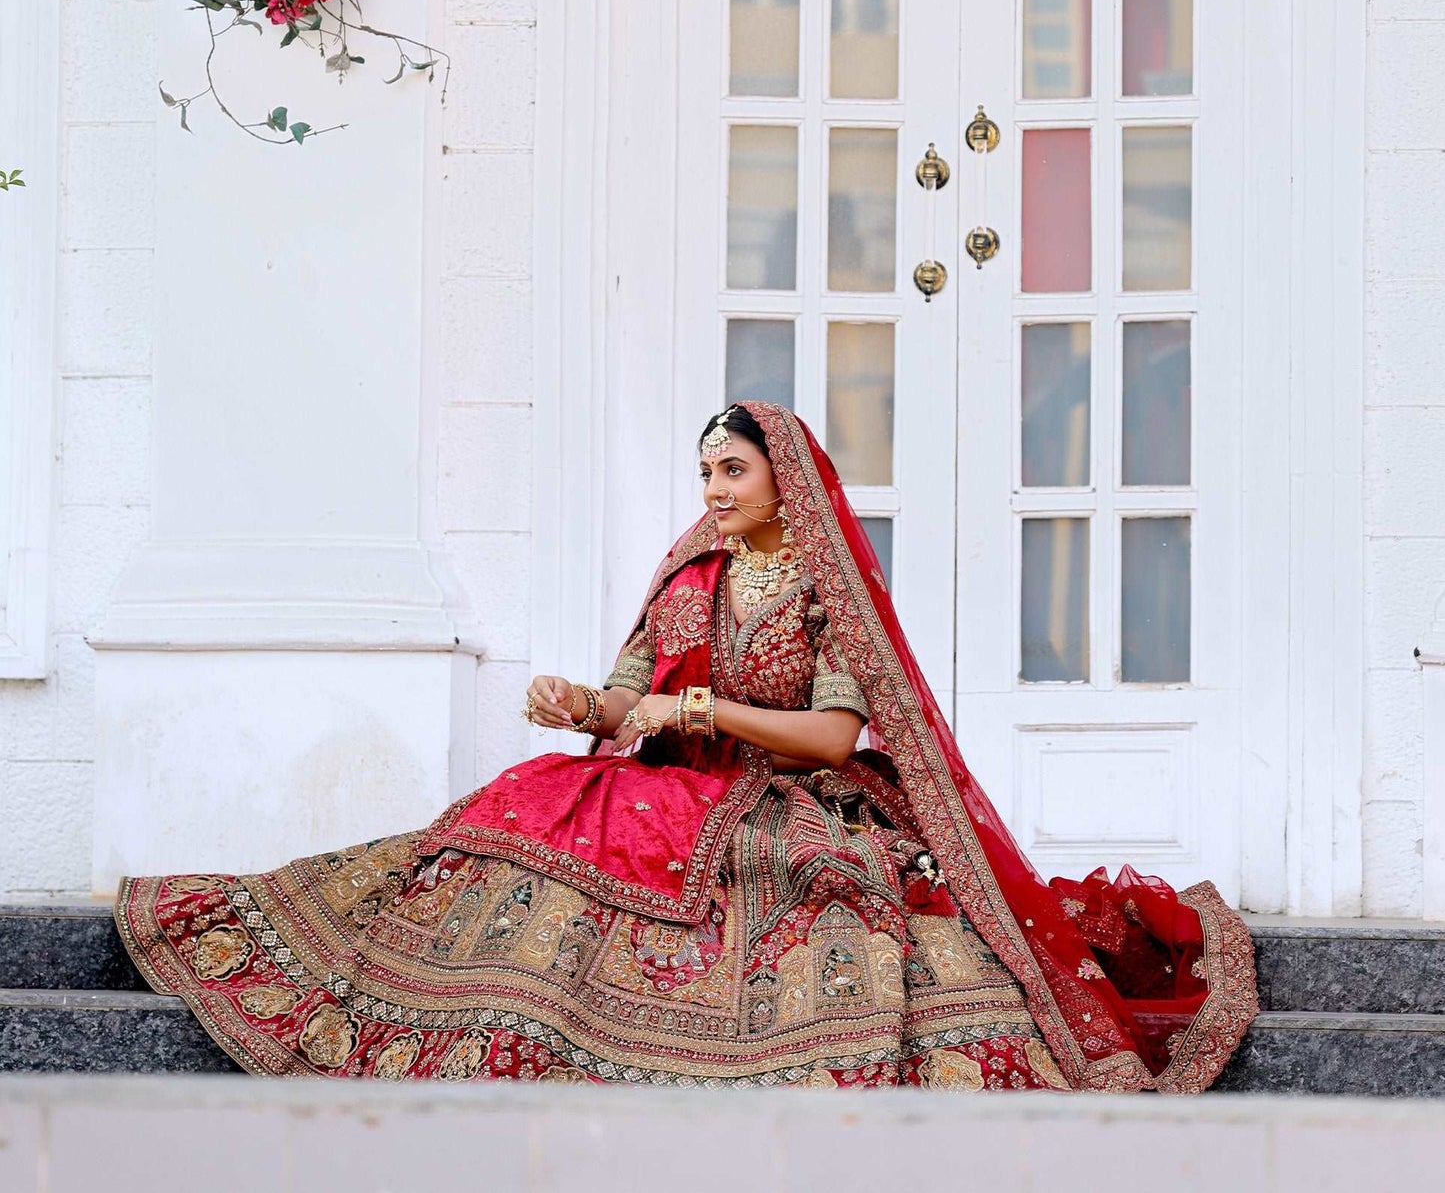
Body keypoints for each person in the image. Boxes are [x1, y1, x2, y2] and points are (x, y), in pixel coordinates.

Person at [115, 401, 1257, 1088]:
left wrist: (705, 712)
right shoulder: (686, 571)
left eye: (732, 472)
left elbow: (832, 735)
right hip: (667, 782)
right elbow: (627, 702)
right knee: (512, 808)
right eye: (703, 473)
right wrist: (581, 705)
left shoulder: (826, 589)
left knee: (805, 896)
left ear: (784, 482)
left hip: (786, 795)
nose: (711, 492)